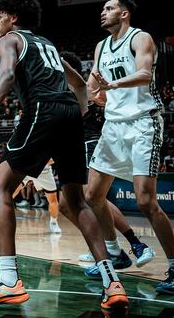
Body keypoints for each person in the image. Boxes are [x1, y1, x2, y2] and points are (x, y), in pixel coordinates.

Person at [0, 0, 127, 310]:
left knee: (0, 187)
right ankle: (113, 284)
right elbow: (79, 83)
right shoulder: (48, 45)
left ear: (13, 17)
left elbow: (7, 74)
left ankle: (9, 281)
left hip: (43, 109)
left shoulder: (10, 39)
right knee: (77, 201)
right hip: (70, 114)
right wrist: (76, 116)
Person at [84, 0, 174, 294]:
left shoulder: (140, 38)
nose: (103, 12)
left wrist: (112, 85)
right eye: (103, 8)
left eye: (109, 8)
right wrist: (93, 93)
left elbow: (144, 74)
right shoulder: (101, 46)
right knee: (92, 194)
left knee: (145, 201)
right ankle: (115, 252)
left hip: (143, 122)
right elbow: (94, 82)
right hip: (113, 125)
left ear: (124, 13)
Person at [59, 51, 155, 268]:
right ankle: (102, 246)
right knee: (65, 205)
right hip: (74, 148)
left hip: (91, 143)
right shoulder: (63, 89)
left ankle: (136, 244)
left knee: (92, 196)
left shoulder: (82, 87)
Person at [0, 162, 62, 234]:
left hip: (43, 171)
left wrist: (41, 159)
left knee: (53, 200)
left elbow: (53, 159)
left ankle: (53, 222)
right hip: (27, 168)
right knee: (10, 194)